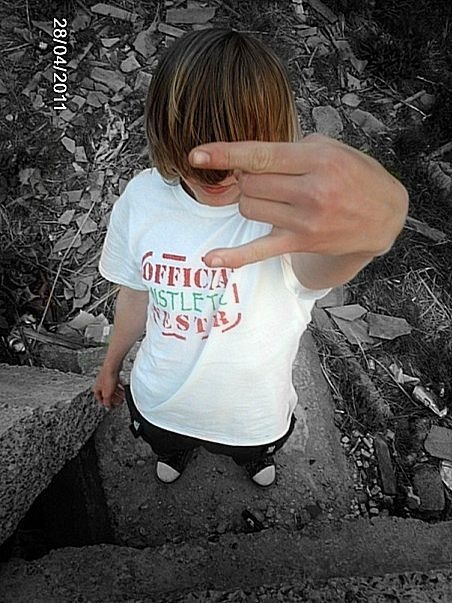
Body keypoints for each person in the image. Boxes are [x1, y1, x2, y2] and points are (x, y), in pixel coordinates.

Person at [92, 28, 408, 488]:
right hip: (160, 403)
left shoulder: (291, 217)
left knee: (254, 453)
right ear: (162, 126)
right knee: (165, 444)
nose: (216, 172)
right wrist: (111, 363)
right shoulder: (141, 199)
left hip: (255, 419)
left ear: (273, 137)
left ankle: (253, 459)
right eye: (194, 139)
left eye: (238, 142)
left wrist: (368, 235)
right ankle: (175, 451)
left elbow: (321, 266)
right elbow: (135, 294)